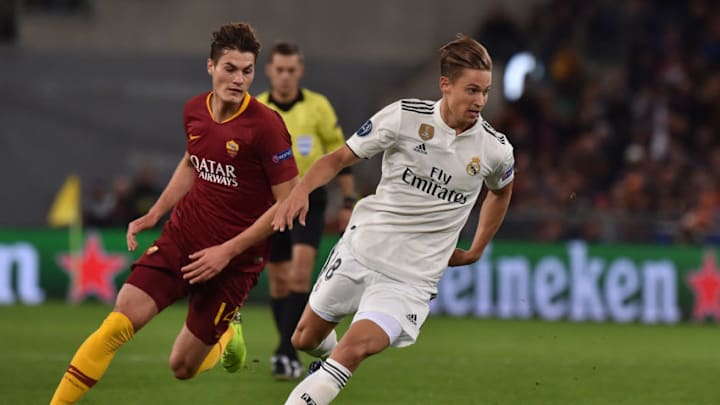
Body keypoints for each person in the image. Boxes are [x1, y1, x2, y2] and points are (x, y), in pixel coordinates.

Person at [50, 22, 299, 404]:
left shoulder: (266, 127)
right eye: (230, 69)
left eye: (247, 71)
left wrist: (227, 251)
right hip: (183, 236)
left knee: (181, 367)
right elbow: (190, 162)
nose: (239, 79)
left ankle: (228, 332)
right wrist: (156, 212)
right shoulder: (194, 110)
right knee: (119, 321)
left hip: (235, 260)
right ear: (211, 67)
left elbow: (288, 204)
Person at [274, 34, 515, 404]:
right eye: (472, 90)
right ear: (445, 85)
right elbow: (337, 158)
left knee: (352, 352)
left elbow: (500, 191)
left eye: (486, 91)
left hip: (410, 278)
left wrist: (477, 248)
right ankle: (322, 367)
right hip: (361, 248)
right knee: (303, 338)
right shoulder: (404, 117)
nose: (480, 101)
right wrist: (301, 190)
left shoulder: (494, 149)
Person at [256, 41, 355, 380]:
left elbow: (342, 156)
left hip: (310, 201)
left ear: (300, 71)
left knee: (300, 272)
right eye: (279, 69)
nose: (285, 76)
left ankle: (285, 350)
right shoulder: (257, 109)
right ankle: (286, 348)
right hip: (272, 203)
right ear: (269, 71)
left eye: (291, 70)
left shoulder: (318, 107)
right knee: (279, 279)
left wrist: (347, 203)